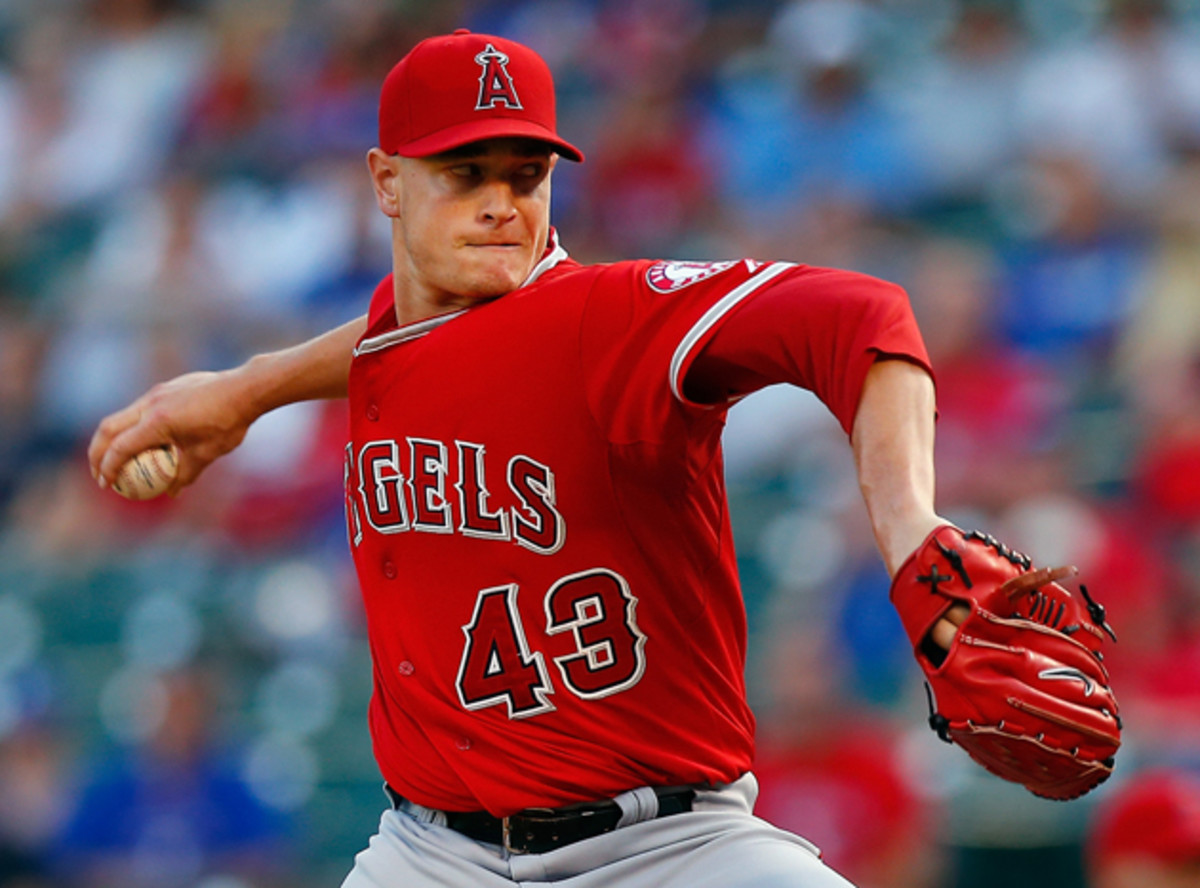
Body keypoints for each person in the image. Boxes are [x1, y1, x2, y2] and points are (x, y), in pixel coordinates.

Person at [89, 29, 955, 888]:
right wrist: (246, 390)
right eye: (466, 174)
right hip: (428, 856)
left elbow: (865, 319)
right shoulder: (407, 332)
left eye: (526, 175)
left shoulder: (611, 320)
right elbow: (410, 340)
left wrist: (912, 529)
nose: (502, 203)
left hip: (671, 849)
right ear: (386, 182)